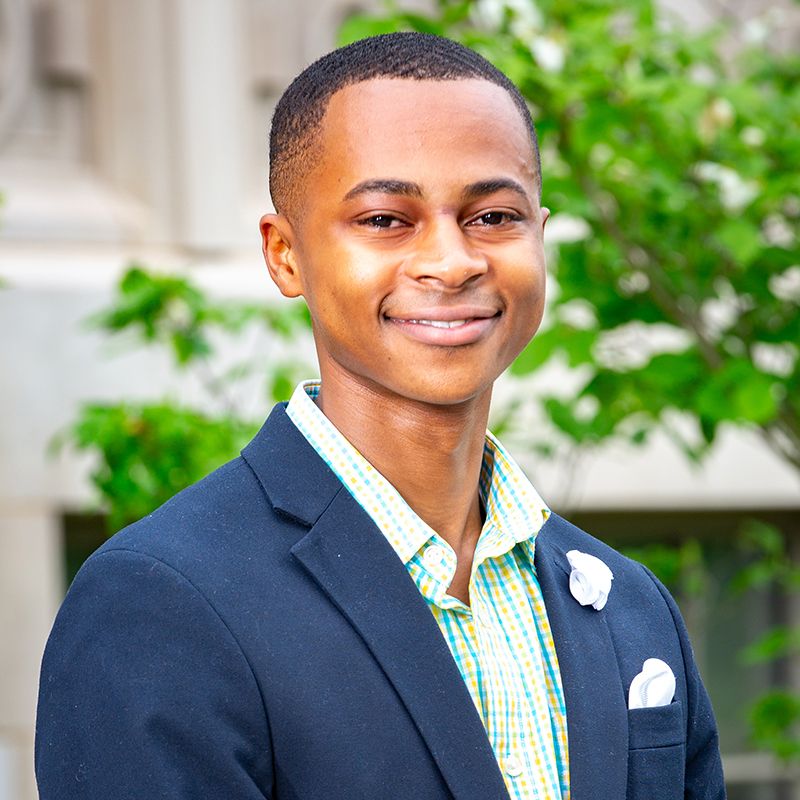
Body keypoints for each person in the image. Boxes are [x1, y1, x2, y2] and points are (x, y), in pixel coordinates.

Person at [35, 32, 724, 800]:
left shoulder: (629, 606)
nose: (453, 260)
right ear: (285, 254)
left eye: (493, 215)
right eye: (386, 220)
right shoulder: (162, 604)